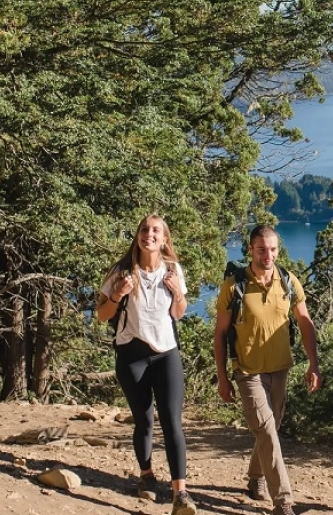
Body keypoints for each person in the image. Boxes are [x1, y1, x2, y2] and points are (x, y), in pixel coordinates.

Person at [213, 225, 322, 515]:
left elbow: (305, 322)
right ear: (250, 249)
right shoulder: (234, 286)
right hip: (247, 371)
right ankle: (283, 502)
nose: (268, 255)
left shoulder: (287, 281)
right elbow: (220, 334)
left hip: (280, 368)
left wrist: (313, 363)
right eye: (261, 249)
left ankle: (255, 477)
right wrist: (223, 377)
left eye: (273, 249)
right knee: (266, 429)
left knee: (269, 429)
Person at [95, 214, 198, 515]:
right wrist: (117, 294)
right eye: (144, 230)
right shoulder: (121, 271)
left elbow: (178, 312)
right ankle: (146, 475)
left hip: (166, 354)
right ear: (138, 236)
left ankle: (181, 493)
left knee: (172, 421)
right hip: (132, 355)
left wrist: (177, 292)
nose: (148, 235)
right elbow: (102, 315)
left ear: (164, 239)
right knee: (144, 420)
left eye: (155, 231)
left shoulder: (173, 270)